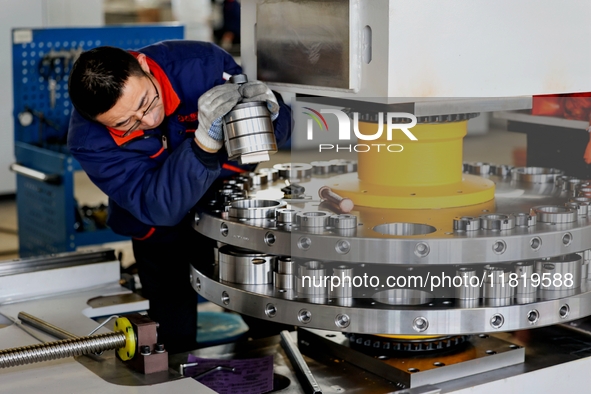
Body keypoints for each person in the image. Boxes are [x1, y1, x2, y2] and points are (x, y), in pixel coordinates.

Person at [67, 40, 291, 353]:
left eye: (146, 101)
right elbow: (159, 208)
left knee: (267, 314)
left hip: (223, 213)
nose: (147, 120)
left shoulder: (202, 65)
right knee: (172, 336)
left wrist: (271, 113)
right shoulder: (90, 142)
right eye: (124, 123)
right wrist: (203, 144)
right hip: (158, 232)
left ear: (144, 65)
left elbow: (261, 143)